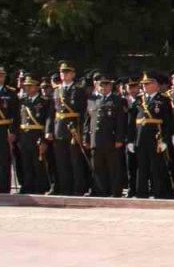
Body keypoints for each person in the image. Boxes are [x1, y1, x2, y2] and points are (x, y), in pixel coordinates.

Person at [46, 61, 90, 196]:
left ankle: (78, 188)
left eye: (67, 72)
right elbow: (51, 113)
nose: (64, 75)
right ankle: (64, 188)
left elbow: (84, 113)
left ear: (73, 74)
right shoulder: (56, 91)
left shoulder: (79, 91)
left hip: (73, 129)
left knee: (75, 161)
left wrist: (81, 132)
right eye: (62, 72)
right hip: (59, 128)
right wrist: (49, 130)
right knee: (61, 161)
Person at [130, 73, 174, 199]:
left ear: (155, 85)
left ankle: (158, 192)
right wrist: (130, 140)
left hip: (156, 138)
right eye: (143, 84)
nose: (144, 86)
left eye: (147, 84)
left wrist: (165, 139)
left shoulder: (163, 100)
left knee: (156, 167)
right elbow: (131, 121)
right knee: (142, 167)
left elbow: (168, 122)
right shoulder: (138, 100)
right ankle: (141, 193)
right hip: (140, 138)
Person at [84, 73, 127, 197]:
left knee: (113, 167)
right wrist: (85, 138)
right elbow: (88, 121)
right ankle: (100, 191)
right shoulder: (92, 100)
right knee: (97, 167)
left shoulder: (117, 100)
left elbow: (120, 122)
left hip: (111, 139)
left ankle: (115, 191)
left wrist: (119, 138)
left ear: (111, 86)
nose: (104, 87)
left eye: (107, 84)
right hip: (95, 139)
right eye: (101, 85)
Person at [16, 75, 50, 194]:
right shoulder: (23, 101)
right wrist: (18, 137)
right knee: (26, 163)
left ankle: (40, 187)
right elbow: (19, 120)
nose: (27, 88)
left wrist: (44, 139)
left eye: (30, 86)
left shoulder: (44, 102)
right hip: (25, 136)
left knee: (38, 163)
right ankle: (27, 186)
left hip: (37, 135)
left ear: (37, 87)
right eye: (26, 86)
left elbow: (47, 120)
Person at [0, 66, 16, 194]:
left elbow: (15, 114)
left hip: (4, 128)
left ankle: (4, 188)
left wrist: (12, 130)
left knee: (4, 159)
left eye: (2, 75)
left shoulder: (10, 93)